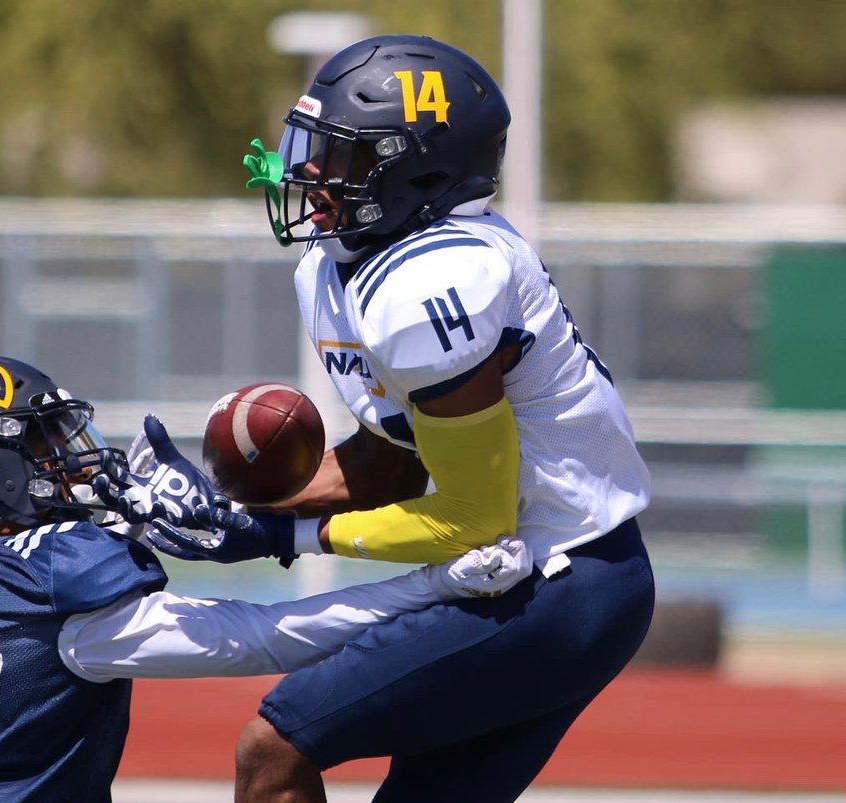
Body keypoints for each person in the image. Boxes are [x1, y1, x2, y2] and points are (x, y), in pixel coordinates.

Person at [139, 34, 657, 802]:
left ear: (420, 172)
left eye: (342, 156)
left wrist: (281, 536)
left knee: (275, 745)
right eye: (313, 146)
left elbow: (471, 520)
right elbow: (393, 459)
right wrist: (235, 509)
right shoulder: (340, 266)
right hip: (535, 573)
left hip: (560, 580)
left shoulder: (434, 280)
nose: (308, 171)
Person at [0, 354, 532, 802]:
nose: (72, 464)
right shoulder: (54, 591)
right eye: (42, 450)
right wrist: (435, 586)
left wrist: (151, 516)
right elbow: (266, 637)